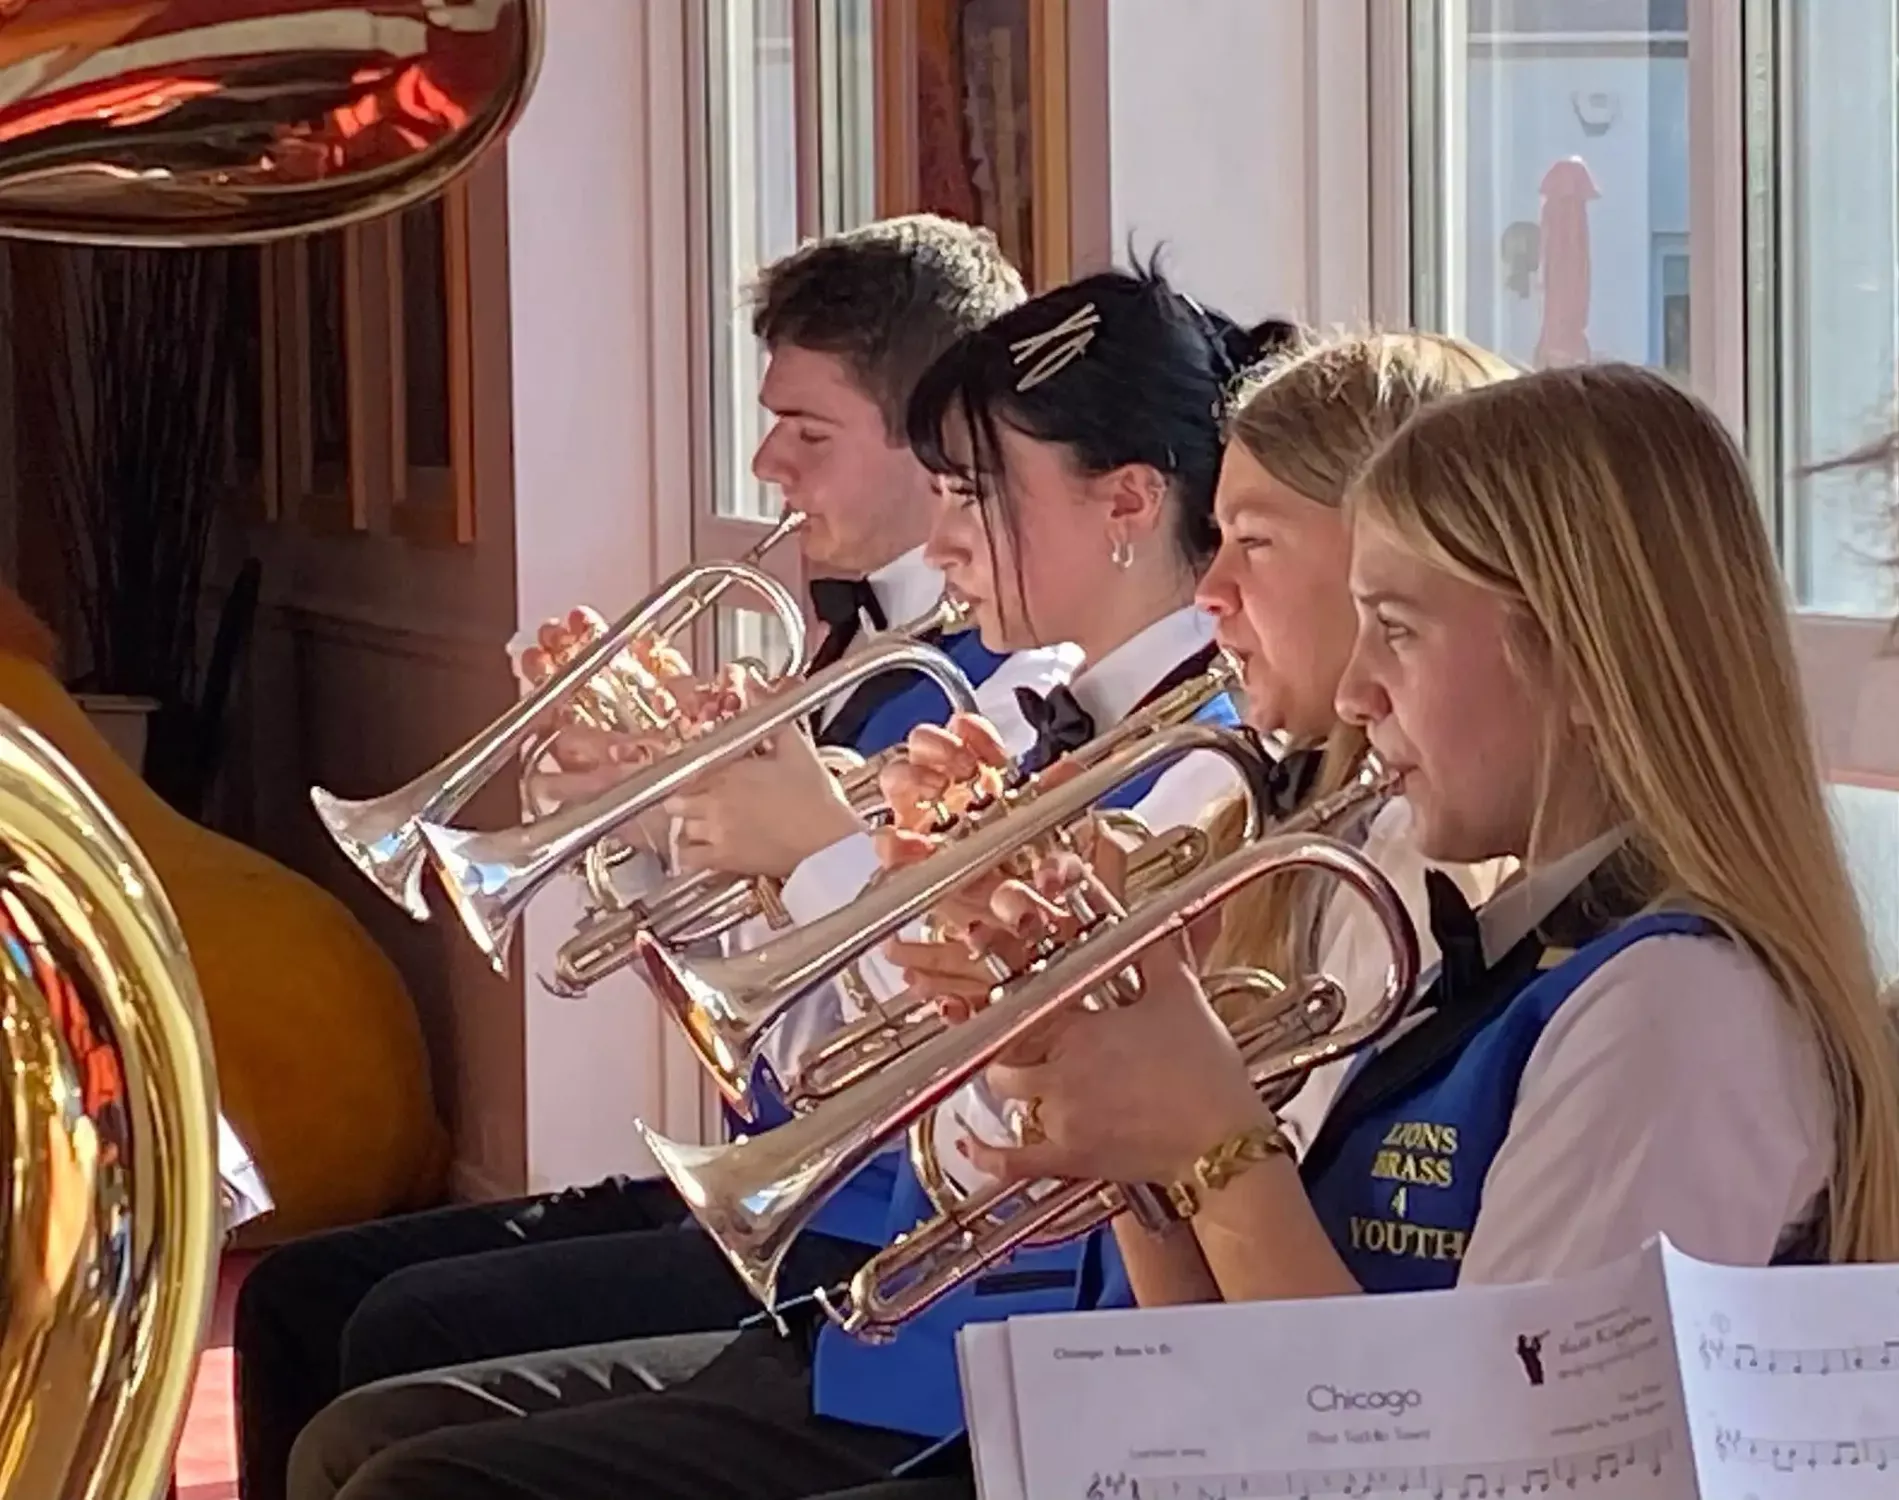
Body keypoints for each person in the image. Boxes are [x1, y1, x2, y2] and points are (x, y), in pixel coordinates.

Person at [281, 261, 1294, 1500]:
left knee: (404, 1458)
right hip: (896, 1303)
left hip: (988, 1336)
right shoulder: (1038, 716)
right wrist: (687, 843)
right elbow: (790, 1062)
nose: (943, 538)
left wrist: (827, 862)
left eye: (978, 494)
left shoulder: (1198, 761)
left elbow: (978, 1123)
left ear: (1128, 502)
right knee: (370, 1412)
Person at [950, 364, 1899, 1341]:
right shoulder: (1506, 955)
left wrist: (1218, 1151)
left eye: (1397, 632)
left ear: (1577, 659)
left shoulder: (1678, 1009)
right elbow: (1214, 1379)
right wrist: (1134, 1143)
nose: (1357, 694)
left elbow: (1474, 1459)